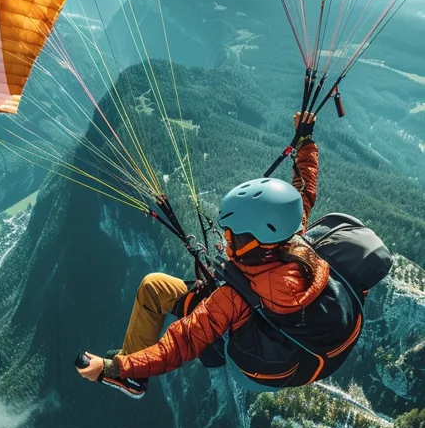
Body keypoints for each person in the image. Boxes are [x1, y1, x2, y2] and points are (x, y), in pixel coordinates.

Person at [76, 111, 358, 399]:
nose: (225, 239)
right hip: (306, 339)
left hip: (249, 344)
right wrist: (306, 140)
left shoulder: (230, 299)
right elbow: (304, 191)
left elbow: (180, 344)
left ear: (255, 242)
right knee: (163, 287)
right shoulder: (295, 241)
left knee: (152, 288)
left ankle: (133, 381)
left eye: (231, 234)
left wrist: (113, 367)